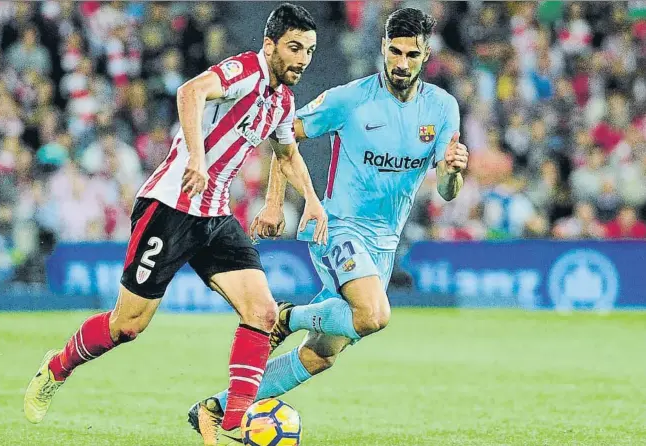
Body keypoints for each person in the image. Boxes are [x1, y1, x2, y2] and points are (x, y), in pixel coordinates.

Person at [24, 4, 328, 445]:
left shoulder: (282, 99)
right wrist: (198, 159)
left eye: (310, 51)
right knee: (127, 326)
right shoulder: (244, 69)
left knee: (262, 311)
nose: (303, 59)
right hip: (169, 206)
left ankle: (234, 423)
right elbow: (190, 92)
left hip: (215, 215)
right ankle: (58, 366)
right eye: (295, 48)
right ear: (270, 45)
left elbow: (287, 155)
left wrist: (313, 202)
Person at [190, 7, 469, 432]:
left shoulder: (443, 109)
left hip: (383, 244)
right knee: (374, 315)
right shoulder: (349, 99)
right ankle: (290, 317)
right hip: (336, 227)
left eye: (411, 56)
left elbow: (448, 192)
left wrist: (451, 172)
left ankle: (216, 408)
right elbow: (284, 134)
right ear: (382, 48)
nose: (401, 63)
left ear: (426, 55)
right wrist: (273, 203)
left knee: (321, 355)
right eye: (394, 52)